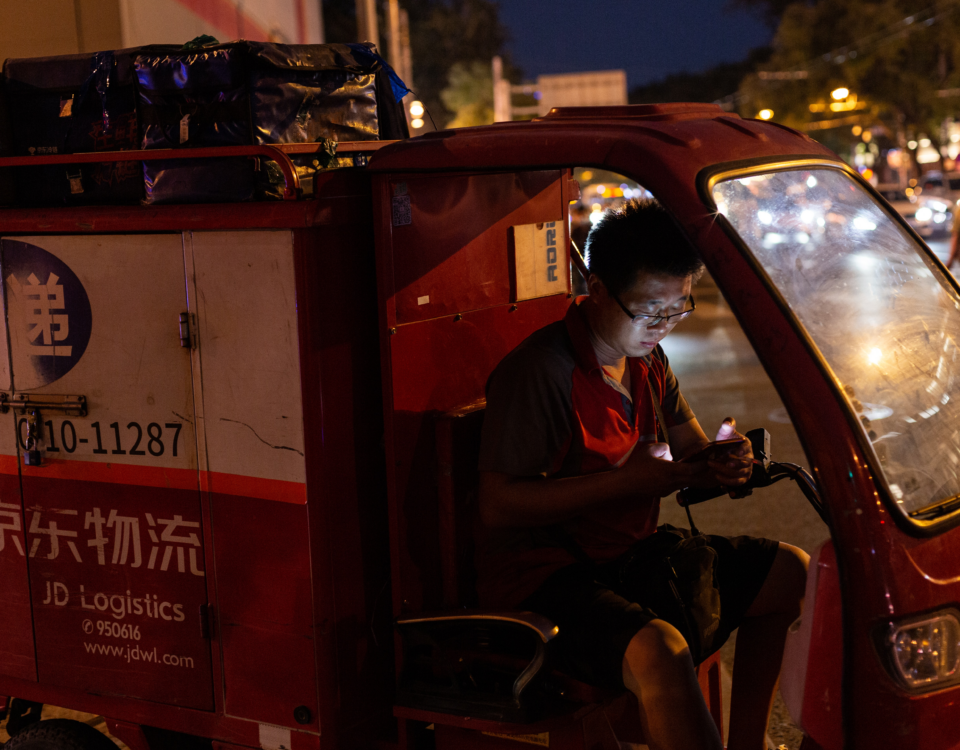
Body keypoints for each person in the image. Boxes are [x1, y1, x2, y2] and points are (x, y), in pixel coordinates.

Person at [476, 198, 809, 750]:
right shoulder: (542, 371)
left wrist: (724, 461)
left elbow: (690, 451)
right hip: (547, 576)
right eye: (650, 310)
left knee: (789, 572)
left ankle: (748, 741)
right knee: (662, 650)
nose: (663, 326)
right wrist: (624, 484)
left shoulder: (647, 361)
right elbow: (497, 505)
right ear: (599, 288)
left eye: (678, 309)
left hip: (630, 554)